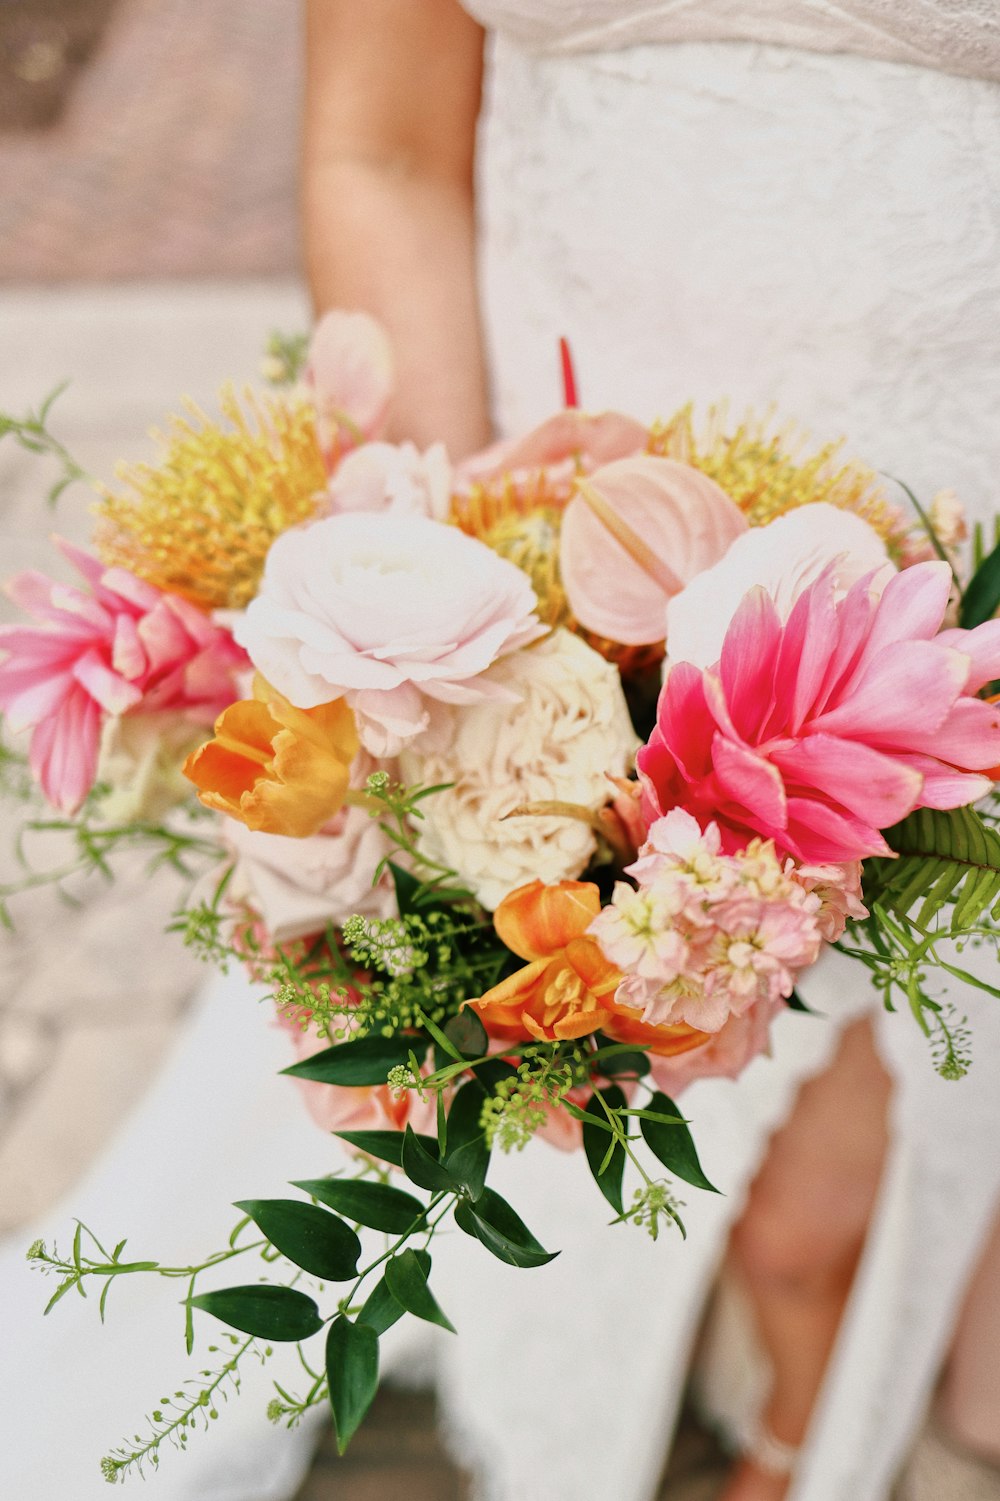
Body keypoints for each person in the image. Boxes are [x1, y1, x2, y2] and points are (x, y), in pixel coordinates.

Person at [300, 5, 1000, 1499]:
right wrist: (430, 615)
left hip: (954, 571)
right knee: (571, 1108)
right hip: (550, 542)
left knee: (829, 1208)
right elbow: (383, 145)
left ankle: (819, 1426)